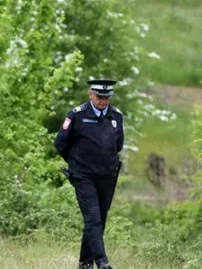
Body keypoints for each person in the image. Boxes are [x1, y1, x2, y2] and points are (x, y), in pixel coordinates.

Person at [54, 78, 124, 269]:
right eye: (99, 97)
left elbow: (118, 145)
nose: (103, 101)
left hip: (106, 176)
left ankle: (85, 263)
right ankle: (102, 261)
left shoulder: (116, 116)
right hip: (83, 176)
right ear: (90, 94)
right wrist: (76, 164)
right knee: (92, 218)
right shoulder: (77, 115)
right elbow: (60, 143)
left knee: (99, 220)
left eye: (106, 97)